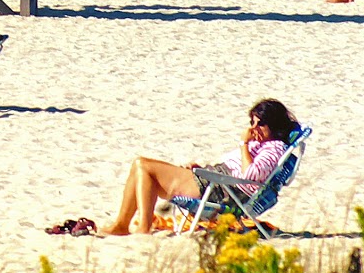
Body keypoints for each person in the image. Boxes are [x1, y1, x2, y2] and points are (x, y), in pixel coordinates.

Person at [103, 99, 301, 235]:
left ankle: (142, 227)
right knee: (140, 168)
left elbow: (250, 175)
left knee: (143, 166)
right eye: (252, 122)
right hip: (217, 180)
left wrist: (244, 145)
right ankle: (122, 224)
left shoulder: (274, 148)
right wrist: (201, 168)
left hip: (221, 189)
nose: (253, 129)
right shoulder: (264, 144)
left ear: (273, 126)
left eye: (260, 124)